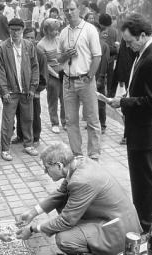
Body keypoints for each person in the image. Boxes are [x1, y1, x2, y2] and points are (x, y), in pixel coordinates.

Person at [16, 142, 142, 255]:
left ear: (59, 166)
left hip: (118, 230)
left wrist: (33, 229)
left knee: (64, 239)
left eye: (46, 168)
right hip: (114, 218)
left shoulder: (81, 180)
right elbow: (61, 193)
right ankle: (89, 238)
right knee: (63, 203)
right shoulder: (78, 163)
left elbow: (65, 221)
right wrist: (33, 212)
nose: (45, 172)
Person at [109, 14, 152, 232]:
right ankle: (144, 218)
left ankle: (147, 224)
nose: (127, 45)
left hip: (146, 130)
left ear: (142, 36)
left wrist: (123, 102)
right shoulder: (142, 52)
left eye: (130, 41)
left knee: (146, 180)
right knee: (141, 178)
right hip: (139, 128)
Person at [58, 0, 102, 161]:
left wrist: (89, 77)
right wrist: (65, 55)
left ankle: (94, 155)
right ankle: (77, 154)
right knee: (71, 121)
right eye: (66, 10)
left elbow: (97, 56)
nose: (69, 13)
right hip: (68, 81)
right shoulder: (63, 32)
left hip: (86, 79)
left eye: (72, 9)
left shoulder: (89, 29)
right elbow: (58, 58)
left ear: (79, 9)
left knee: (92, 119)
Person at [0, 18, 39, 161]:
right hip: (10, 91)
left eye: (18, 30)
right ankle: (5, 149)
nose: (15, 33)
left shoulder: (29, 46)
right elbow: (0, 71)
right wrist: (4, 91)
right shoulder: (3, 47)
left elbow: (35, 67)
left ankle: (28, 144)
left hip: (26, 90)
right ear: (9, 30)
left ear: (22, 30)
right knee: (8, 120)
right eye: (13, 30)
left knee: (28, 118)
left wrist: (33, 87)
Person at [13, 27, 48, 146]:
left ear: (35, 39)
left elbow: (43, 76)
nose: (29, 40)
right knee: (20, 113)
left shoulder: (40, 54)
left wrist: (37, 90)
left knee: (34, 114)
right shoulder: (17, 51)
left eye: (32, 37)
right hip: (20, 90)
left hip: (34, 91)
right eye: (27, 37)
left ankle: (36, 138)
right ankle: (21, 135)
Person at [38, 18, 66, 134]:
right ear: (46, 30)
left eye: (57, 30)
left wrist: (64, 71)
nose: (56, 32)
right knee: (53, 99)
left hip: (63, 73)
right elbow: (45, 65)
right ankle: (55, 123)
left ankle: (65, 121)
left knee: (65, 99)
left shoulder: (59, 40)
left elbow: (64, 55)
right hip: (52, 75)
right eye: (54, 30)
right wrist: (56, 75)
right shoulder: (41, 44)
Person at [94, 22, 110, 134]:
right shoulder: (88, 43)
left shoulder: (104, 45)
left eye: (96, 31)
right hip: (89, 78)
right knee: (91, 103)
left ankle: (103, 124)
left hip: (99, 77)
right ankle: (94, 123)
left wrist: (101, 77)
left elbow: (105, 63)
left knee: (101, 103)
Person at [99, 13, 119, 98]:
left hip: (102, 57)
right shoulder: (115, 31)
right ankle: (110, 95)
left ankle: (102, 94)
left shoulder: (101, 30)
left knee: (101, 76)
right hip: (111, 58)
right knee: (110, 78)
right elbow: (116, 44)